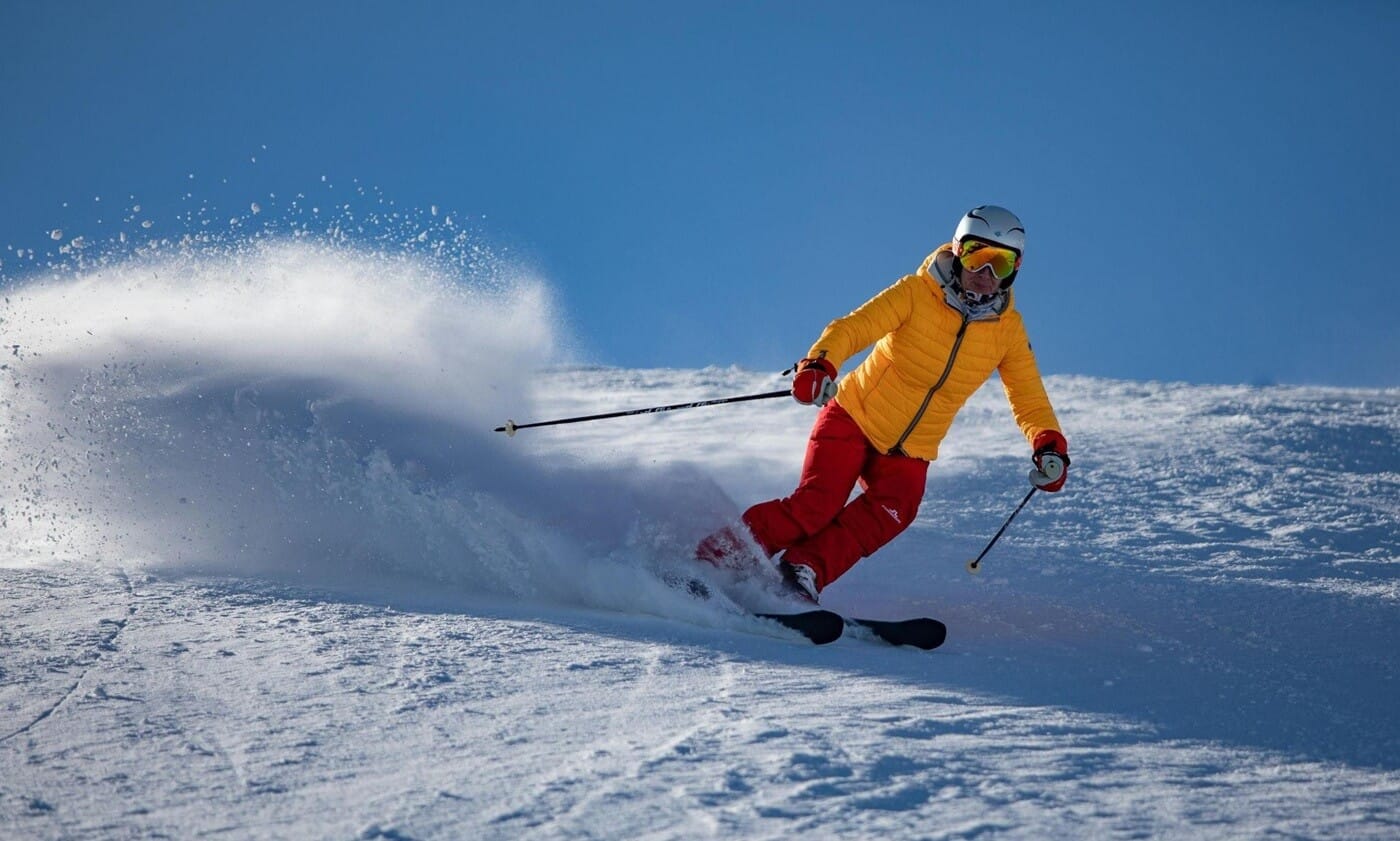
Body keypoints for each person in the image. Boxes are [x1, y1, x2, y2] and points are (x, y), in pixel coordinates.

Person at [697, 205, 1069, 601]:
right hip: (854, 417)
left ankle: (802, 570)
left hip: (912, 450)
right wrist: (820, 365)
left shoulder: (1007, 331)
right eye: (978, 256)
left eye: (1002, 262)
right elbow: (854, 328)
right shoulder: (916, 292)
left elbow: (1027, 394)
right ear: (959, 251)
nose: (987, 273)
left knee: (895, 510)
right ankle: (715, 560)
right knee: (816, 505)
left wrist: (1048, 444)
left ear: (1016, 268)